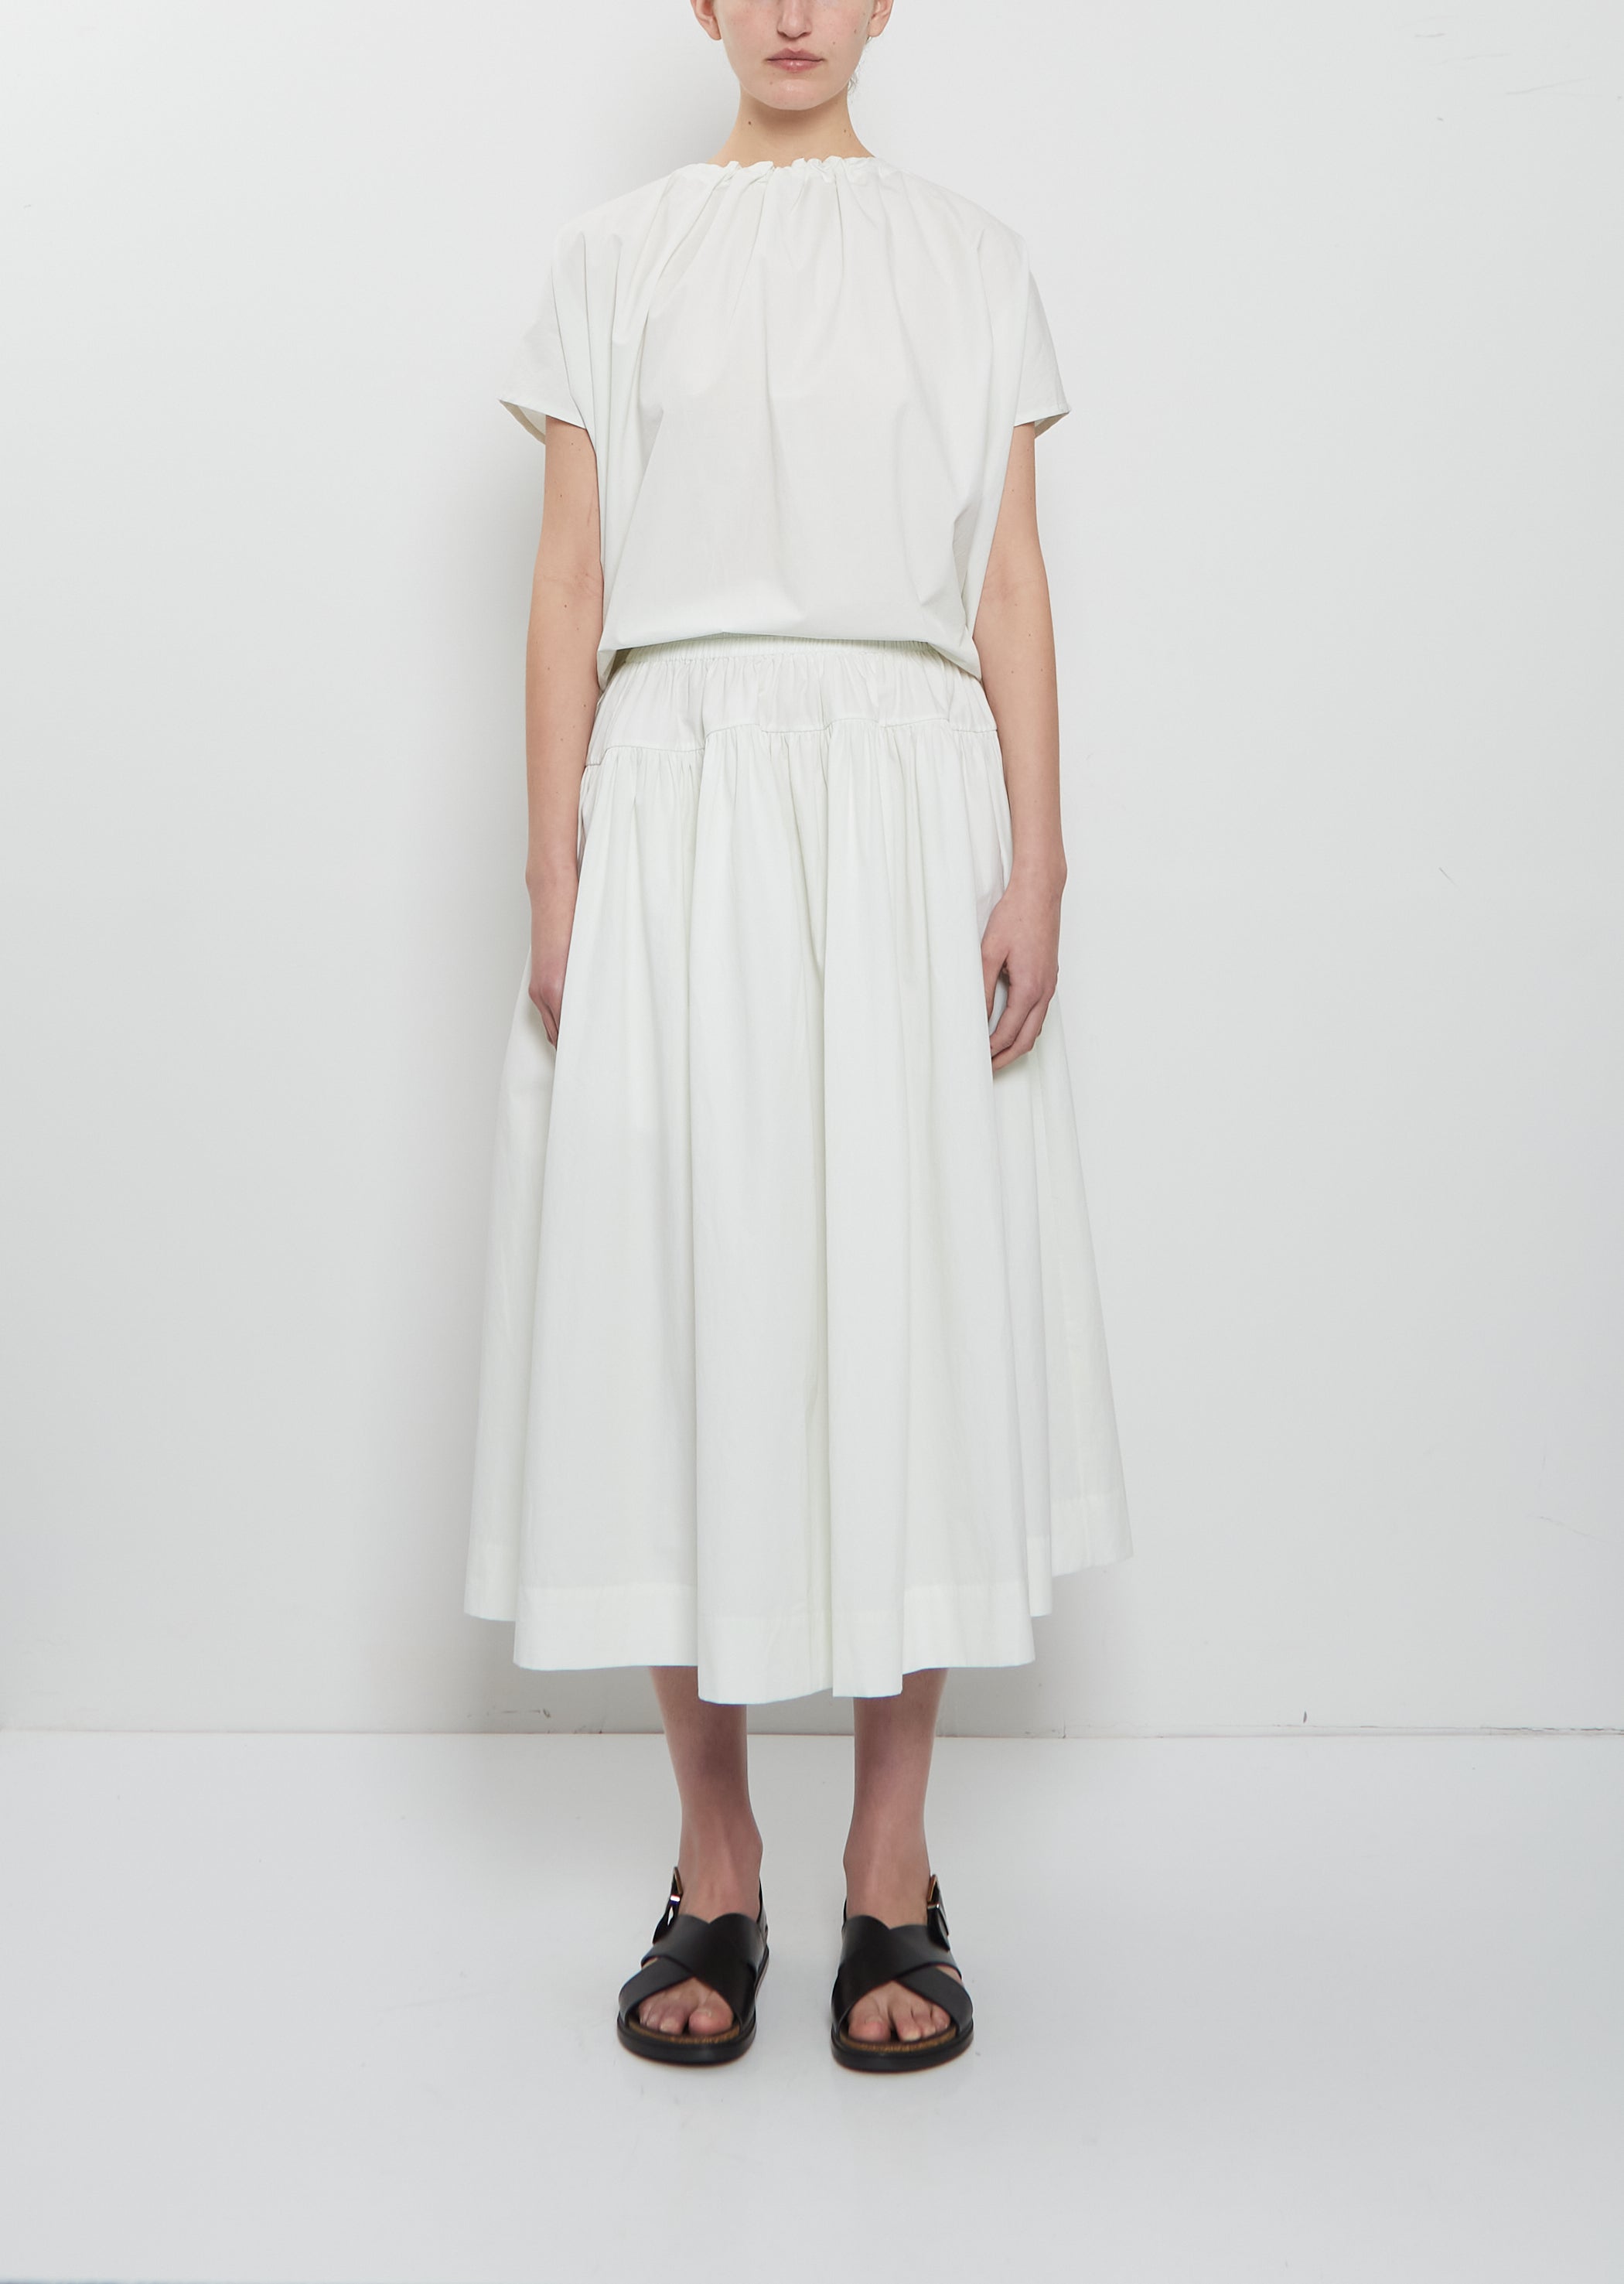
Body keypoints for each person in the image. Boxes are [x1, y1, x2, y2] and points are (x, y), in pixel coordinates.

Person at [464, 0, 1131, 2072]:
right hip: (677, 799)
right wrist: (554, 870)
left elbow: (1008, 589)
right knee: (684, 1302)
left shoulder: (971, 258)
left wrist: (1040, 861)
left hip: (907, 797)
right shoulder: (615, 254)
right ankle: (716, 1858)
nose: (788, 12)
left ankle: (893, 1867)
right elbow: (567, 586)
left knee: (901, 1303)